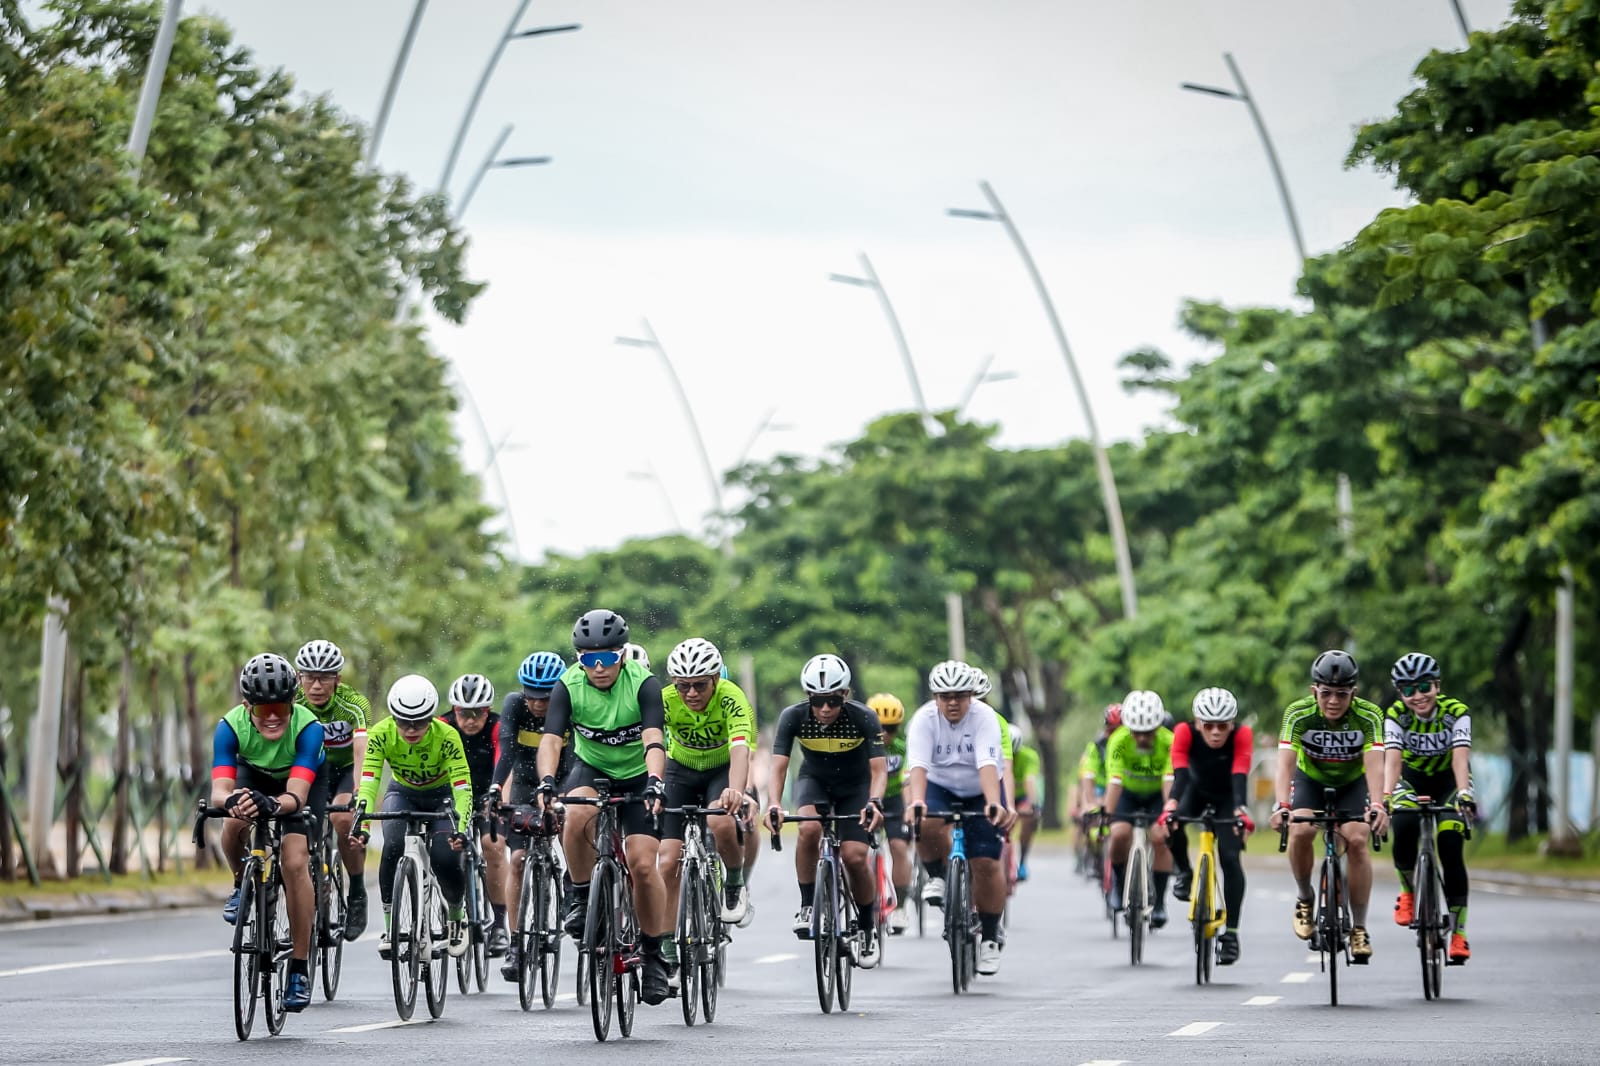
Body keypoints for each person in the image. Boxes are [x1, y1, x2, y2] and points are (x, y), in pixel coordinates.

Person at [532, 609, 674, 1006]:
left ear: (622, 655)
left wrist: (655, 782)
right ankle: (580, 894)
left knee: (644, 865)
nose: (598, 668)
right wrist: (546, 780)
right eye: (588, 659)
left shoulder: (644, 684)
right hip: (591, 768)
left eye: (607, 658)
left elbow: (653, 740)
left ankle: (653, 953)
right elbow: (552, 741)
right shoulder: (568, 685)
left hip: (637, 774)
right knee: (574, 814)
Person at [213, 652, 326, 1012]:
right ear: (248, 707)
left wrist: (273, 805)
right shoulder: (229, 727)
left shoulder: (308, 728)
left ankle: (299, 967)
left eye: (281, 707)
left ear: (294, 702)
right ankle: (239, 884)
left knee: (294, 863)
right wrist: (234, 800)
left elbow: (297, 794)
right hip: (253, 773)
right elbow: (219, 789)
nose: (273, 717)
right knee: (233, 824)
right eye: (263, 710)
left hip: (300, 781)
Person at [765, 653, 887, 967]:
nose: (824, 709)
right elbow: (778, 767)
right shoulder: (793, 716)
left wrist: (874, 802)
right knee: (808, 828)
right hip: (815, 780)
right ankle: (808, 905)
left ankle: (867, 927)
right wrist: (774, 804)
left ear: (845, 695)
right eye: (818, 701)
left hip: (855, 787)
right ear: (808, 697)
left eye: (832, 701)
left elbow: (878, 770)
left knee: (855, 856)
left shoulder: (864, 717)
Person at [1270, 650, 1389, 962]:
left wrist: (1378, 804)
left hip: (1352, 783)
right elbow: (1284, 765)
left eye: (1341, 694)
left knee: (1359, 840)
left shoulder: (1369, 715)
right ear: (1314, 692)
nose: (1333, 701)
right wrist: (1281, 805)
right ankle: (1305, 897)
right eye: (1326, 694)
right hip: (1311, 781)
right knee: (1300, 830)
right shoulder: (1298, 714)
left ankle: (1360, 929)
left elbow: (1376, 764)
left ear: (1354, 693)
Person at [352, 674, 474, 959]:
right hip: (403, 791)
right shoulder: (381, 733)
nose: (410, 729)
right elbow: (369, 781)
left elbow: (462, 787)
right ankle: (389, 927)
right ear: (393, 717)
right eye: (403, 721)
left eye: (419, 722)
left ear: (431, 718)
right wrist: (363, 824)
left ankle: (457, 915)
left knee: (445, 858)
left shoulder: (448, 736)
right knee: (392, 845)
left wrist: (462, 828)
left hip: (442, 796)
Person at [904, 660, 1011, 975]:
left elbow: (988, 764)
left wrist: (993, 803)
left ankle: (990, 937)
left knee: (986, 863)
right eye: (945, 696)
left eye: (960, 696)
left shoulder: (985, 718)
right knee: (924, 819)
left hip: (980, 788)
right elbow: (918, 768)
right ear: (935, 697)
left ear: (971, 695)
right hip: (940, 785)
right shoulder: (923, 720)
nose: (952, 703)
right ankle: (936, 874)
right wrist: (918, 802)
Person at [1383, 652, 1474, 963]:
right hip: (1410, 780)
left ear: (1437, 685)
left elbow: (1460, 757)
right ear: (1400, 693)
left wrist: (1463, 793)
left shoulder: (1455, 712)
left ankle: (1459, 932)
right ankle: (1407, 892)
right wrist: (1385, 796)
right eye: (1408, 690)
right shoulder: (1396, 715)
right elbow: (1392, 761)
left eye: (1424, 687)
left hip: (1449, 782)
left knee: (1450, 844)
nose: (1417, 697)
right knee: (1404, 824)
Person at [491, 650, 571, 982]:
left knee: (571, 819)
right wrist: (496, 788)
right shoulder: (513, 704)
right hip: (525, 781)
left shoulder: (570, 706)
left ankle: (573, 882)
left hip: (566, 777)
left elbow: (580, 753)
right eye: (532, 695)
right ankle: (515, 943)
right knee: (519, 859)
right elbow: (507, 750)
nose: (538, 703)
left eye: (546, 696)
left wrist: (565, 797)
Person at [1160, 687, 1255, 964]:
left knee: (1229, 857)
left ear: (1233, 724)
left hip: (1228, 797)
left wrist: (1240, 809)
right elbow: (1180, 774)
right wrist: (1172, 804)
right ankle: (1186, 873)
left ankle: (1232, 934)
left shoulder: (1242, 736)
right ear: (1197, 722)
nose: (1215, 732)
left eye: (1222, 726)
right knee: (1171, 825)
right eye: (1208, 725)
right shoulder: (1184, 732)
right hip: (1194, 791)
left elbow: (1239, 773)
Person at [293, 638, 372, 940]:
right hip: (310, 770)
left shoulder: (354, 704)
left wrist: (359, 797)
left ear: (337, 679)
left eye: (324, 677)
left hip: (343, 771)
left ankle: (357, 891)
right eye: (309, 677)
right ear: (299, 678)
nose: (315, 685)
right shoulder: (293, 702)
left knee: (342, 820)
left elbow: (362, 754)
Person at [441, 672, 510, 958]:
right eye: (463, 713)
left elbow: (506, 765)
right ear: (454, 710)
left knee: (493, 846)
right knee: (443, 849)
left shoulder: (497, 727)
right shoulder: (442, 726)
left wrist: (498, 799)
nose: (470, 720)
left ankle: (499, 923)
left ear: (488, 710)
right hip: (451, 794)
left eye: (477, 713)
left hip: (487, 792)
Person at [1101, 690, 1175, 929]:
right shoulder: (1119, 740)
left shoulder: (1168, 742)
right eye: (1137, 732)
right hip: (1128, 794)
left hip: (1156, 795)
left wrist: (1167, 815)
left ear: (1158, 726)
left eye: (1148, 733)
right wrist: (1107, 818)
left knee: (1160, 837)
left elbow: (1169, 781)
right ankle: (1119, 885)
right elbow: (1114, 782)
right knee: (1120, 834)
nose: (1142, 738)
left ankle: (1160, 902)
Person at [866, 692, 914, 934]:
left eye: (891, 728)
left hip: (895, 799)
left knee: (898, 847)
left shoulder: (903, 748)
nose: (884, 734)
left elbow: (908, 780)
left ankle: (900, 906)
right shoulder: (860, 746)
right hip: (866, 797)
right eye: (878, 728)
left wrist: (909, 810)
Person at [1075, 704, 1122, 870]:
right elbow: (1088, 775)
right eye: (1111, 730)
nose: (1114, 735)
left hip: (1123, 786)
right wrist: (1091, 802)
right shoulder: (1096, 746)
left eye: (1120, 730)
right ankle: (1095, 855)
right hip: (1101, 787)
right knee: (1090, 817)